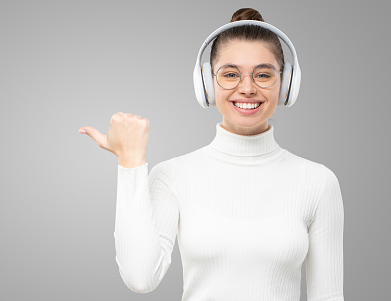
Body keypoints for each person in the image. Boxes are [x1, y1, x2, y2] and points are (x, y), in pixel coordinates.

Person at [78, 8, 344, 301]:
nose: (246, 88)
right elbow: (140, 278)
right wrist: (130, 162)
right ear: (206, 82)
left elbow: (328, 296)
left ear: (286, 83)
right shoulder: (173, 175)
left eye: (263, 74)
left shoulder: (319, 182)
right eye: (230, 74)